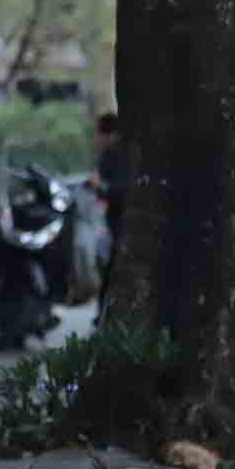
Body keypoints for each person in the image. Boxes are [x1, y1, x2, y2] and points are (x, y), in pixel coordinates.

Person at [92, 112, 129, 323]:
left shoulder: (116, 155)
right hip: (113, 224)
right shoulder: (114, 154)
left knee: (113, 271)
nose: (95, 140)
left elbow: (118, 190)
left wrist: (101, 186)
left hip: (119, 224)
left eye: (97, 134)